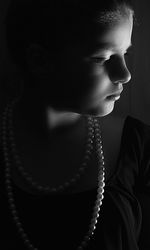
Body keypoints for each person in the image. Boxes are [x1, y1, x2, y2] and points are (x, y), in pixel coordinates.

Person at [0, 0, 150, 249]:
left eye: (124, 53)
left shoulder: (137, 146)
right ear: (39, 60)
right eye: (103, 57)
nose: (124, 74)